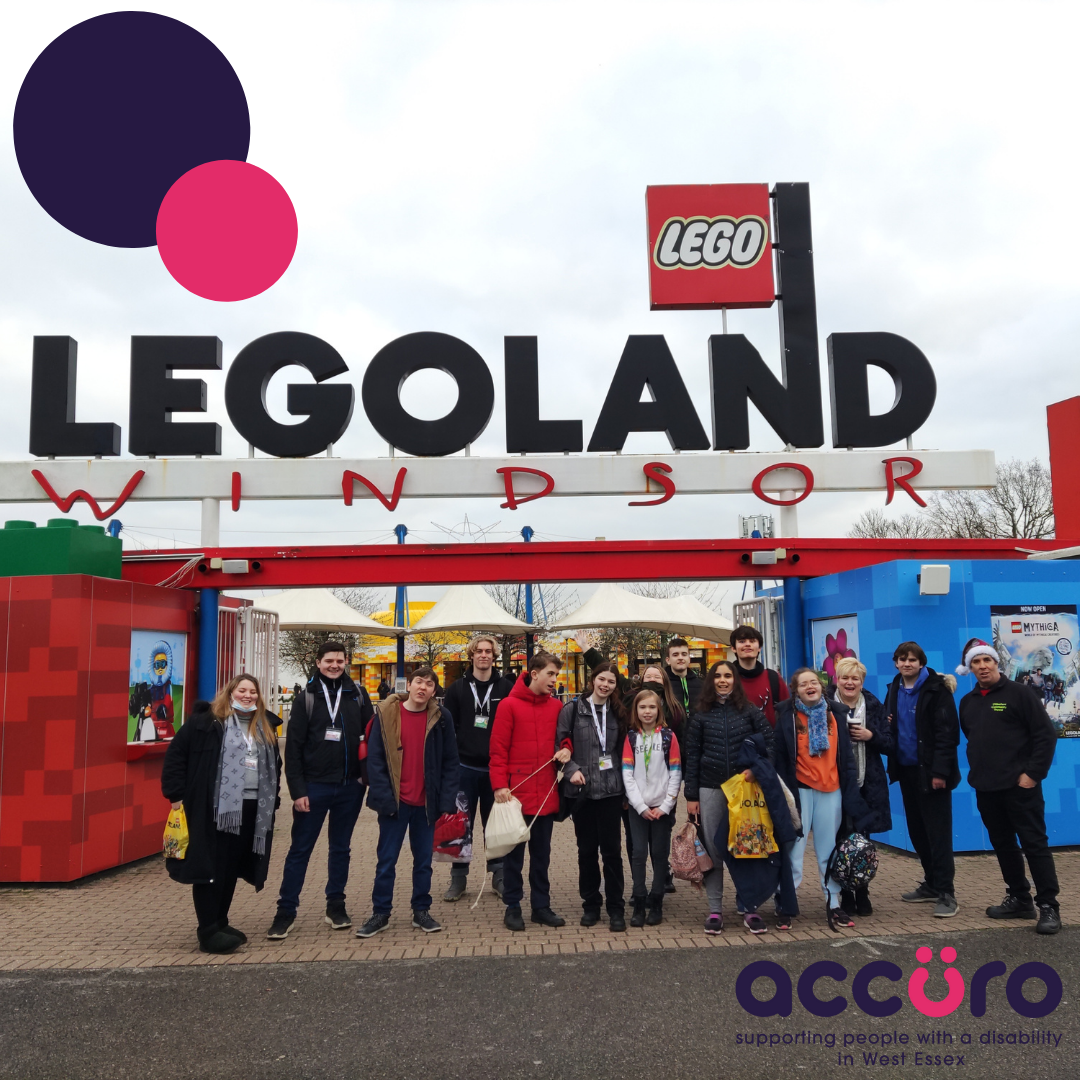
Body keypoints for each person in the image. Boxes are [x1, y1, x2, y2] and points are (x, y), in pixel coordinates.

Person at [161, 674, 281, 954]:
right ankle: (207, 931)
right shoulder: (206, 722)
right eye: (242, 690)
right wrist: (175, 796)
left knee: (230, 869)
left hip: (251, 811)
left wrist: (272, 801)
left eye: (253, 691)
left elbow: (275, 766)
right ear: (230, 692)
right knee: (211, 868)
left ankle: (221, 921)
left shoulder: (264, 726)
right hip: (214, 810)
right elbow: (176, 756)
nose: (248, 695)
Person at [267, 641, 373, 940]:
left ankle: (335, 906)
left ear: (346, 661)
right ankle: (285, 911)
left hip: (350, 787)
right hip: (313, 788)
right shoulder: (306, 699)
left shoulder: (358, 695)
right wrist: (297, 790)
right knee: (300, 851)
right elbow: (295, 749)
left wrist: (366, 779)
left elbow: (372, 738)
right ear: (318, 662)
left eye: (339, 660)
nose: (335, 665)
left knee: (341, 849)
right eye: (329, 660)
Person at [957, 638, 1061, 935]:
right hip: (986, 787)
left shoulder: (1020, 694)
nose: (982, 666)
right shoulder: (968, 702)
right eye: (976, 662)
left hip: (1021, 787)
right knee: (1003, 845)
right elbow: (973, 738)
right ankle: (1019, 898)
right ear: (970, 667)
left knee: (1034, 844)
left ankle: (1049, 906)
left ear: (996, 663)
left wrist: (1032, 774)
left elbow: (1045, 736)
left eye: (986, 660)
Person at [356, 667, 460, 938]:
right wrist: (383, 797)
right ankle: (381, 913)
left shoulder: (441, 717)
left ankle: (421, 910)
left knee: (423, 861)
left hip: (426, 803)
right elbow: (376, 759)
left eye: (429, 684)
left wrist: (446, 801)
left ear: (434, 691)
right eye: (418, 682)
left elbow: (450, 761)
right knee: (386, 861)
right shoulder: (388, 714)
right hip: (395, 803)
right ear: (408, 685)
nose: (423, 687)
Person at [773, 668, 871, 930]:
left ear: (822, 686)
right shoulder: (785, 715)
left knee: (828, 851)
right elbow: (779, 758)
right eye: (803, 684)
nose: (809, 686)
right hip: (800, 791)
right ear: (796, 690)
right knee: (794, 850)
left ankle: (834, 903)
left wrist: (850, 790)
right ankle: (786, 903)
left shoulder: (837, 714)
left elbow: (846, 758)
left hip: (832, 790)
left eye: (814, 682)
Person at [684, 661, 773, 934]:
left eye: (728, 676)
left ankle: (750, 908)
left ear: (735, 680)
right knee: (713, 850)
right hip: (709, 789)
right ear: (711, 681)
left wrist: (753, 769)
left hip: (743, 789)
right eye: (718, 676)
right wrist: (691, 795)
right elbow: (693, 756)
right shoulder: (699, 714)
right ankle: (715, 910)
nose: (723, 680)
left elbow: (769, 744)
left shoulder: (750, 712)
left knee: (746, 847)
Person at [488, 651, 571, 931]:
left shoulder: (556, 707)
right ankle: (512, 906)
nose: (554, 680)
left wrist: (566, 749)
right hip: (515, 793)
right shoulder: (509, 706)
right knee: (513, 858)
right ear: (534, 674)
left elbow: (565, 737)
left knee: (542, 856)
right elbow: (497, 749)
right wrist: (499, 784)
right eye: (550, 674)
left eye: (556, 675)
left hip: (546, 791)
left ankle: (541, 906)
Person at [883, 641, 961, 919]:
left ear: (921, 662)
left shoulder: (937, 689)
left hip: (931, 773)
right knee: (917, 831)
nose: (907, 664)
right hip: (905, 772)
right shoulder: (893, 688)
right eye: (902, 659)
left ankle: (946, 892)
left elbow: (947, 735)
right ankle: (931, 882)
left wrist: (940, 773)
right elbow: (887, 726)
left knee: (938, 833)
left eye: (912, 660)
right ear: (896, 662)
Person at [440, 635, 515, 902]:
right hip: (464, 768)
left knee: (496, 826)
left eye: (488, 651)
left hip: (496, 771)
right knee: (459, 825)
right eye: (479, 651)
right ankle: (458, 879)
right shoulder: (456, 688)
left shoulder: (507, 687)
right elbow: (447, 731)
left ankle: (499, 876)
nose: (483, 655)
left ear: (494, 656)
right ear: (471, 655)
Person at [557, 661, 628, 931]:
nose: (605, 685)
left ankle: (616, 908)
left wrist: (625, 789)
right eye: (601, 679)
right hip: (582, 792)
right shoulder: (572, 710)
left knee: (612, 853)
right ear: (593, 679)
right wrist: (571, 769)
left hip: (611, 791)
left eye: (611, 681)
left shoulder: (620, 713)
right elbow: (560, 744)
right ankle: (591, 905)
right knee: (586, 852)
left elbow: (624, 754)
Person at [826, 657, 894, 917]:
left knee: (863, 841)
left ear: (862, 681)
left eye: (855, 678)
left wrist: (870, 736)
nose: (850, 683)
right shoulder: (827, 705)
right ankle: (844, 893)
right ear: (837, 680)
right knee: (840, 839)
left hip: (868, 783)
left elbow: (890, 743)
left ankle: (862, 890)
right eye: (845, 677)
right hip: (835, 783)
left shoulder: (874, 704)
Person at [621, 689, 682, 927]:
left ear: (659, 710)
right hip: (638, 808)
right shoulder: (631, 738)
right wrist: (639, 804)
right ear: (636, 711)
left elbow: (676, 773)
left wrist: (666, 805)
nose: (647, 712)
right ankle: (639, 900)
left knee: (659, 855)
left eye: (652, 707)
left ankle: (656, 900)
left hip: (662, 809)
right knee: (638, 854)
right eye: (642, 707)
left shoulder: (668, 737)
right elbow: (627, 775)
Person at [729, 624, 789, 727]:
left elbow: (787, 713)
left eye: (752, 641)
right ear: (733, 648)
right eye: (742, 641)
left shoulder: (773, 678)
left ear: (760, 648)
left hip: (770, 740)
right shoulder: (726, 680)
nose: (747, 644)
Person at [635, 664, 687, 741]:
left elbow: (681, 737)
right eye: (648, 677)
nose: (652, 680)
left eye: (657, 677)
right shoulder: (632, 703)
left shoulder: (675, 710)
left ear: (664, 681)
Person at [663, 638, 703, 720]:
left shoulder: (701, 685)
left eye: (684, 654)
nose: (680, 658)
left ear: (689, 658)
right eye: (675, 655)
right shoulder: (663, 684)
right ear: (668, 660)